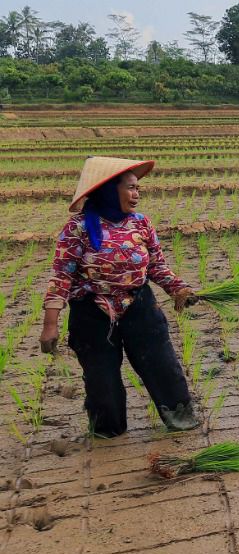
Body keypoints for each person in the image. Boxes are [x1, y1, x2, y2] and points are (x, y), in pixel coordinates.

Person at [40, 156, 199, 437]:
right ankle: (107, 432)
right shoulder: (77, 228)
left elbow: (156, 266)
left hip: (139, 305)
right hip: (92, 312)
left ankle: (182, 421)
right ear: (108, 190)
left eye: (138, 188)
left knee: (163, 366)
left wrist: (179, 288)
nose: (137, 194)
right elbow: (61, 276)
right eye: (130, 187)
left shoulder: (141, 223)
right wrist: (50, 324)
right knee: (102, 381)